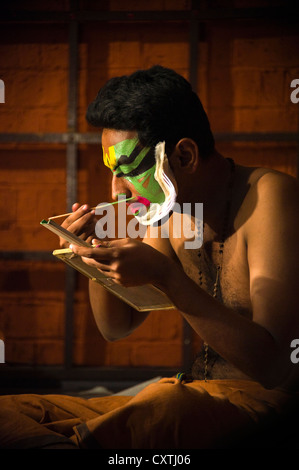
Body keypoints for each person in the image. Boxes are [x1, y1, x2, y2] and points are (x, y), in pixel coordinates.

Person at [0, 65, 298, 449]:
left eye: (127, 170)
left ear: (186, 155)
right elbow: (117, 326)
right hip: (189, 395)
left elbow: (273, 368)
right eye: (111, 173)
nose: (117, 191)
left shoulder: (273, 197)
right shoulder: (167, 212)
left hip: (260, 404)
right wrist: (92, 255)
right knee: (13, 411)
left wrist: (168, 277)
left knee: (162, 406)